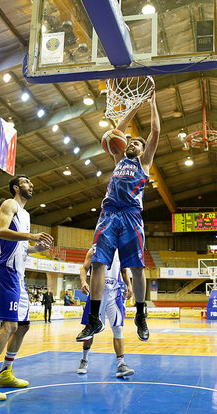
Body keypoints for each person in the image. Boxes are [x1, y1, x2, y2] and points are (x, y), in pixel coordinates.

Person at [77, 90, 159, 343]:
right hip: (108, 215)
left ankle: (141, 315)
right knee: (99, 264)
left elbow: (155, 133)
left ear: (144, 151)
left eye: (137, 143)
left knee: (136, 267)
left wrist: (153, 103)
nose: (132, 144)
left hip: (132, 216)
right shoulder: (118, 158)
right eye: (130, 142)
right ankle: (93, 320)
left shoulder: (143, 164)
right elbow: (116, 133)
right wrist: (133, 107)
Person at [0, 175, 53, 402]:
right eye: (26, 182)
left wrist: (37, 247)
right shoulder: (10, 204)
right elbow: (1, 232)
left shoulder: (25, 214)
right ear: (16, 187)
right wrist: (31, 236)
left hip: (19, 275)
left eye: (31, 183)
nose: (31, 184)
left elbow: (23, 248)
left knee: (23, 326)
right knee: (9, 326)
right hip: (5, 271)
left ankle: (5, 372)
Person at [77, 249, 135, 378]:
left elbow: (124, 271)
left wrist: (129, 286)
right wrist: (83, 282)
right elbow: (84, 269)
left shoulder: (121, 252)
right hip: (97, 293)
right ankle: (84, 360)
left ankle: (121, 364)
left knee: (118, 328)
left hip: (115, 293)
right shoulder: (93, 250)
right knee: (90, 328)